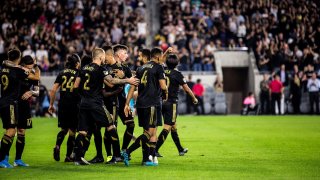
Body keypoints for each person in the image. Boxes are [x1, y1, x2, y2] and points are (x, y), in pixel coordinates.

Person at [72, 48, 138, 165]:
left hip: (83, 103)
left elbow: (75, 86)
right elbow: (111, 81)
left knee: (82, 131)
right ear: (101, 57)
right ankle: (117, 155)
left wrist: (82, 97)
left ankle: (77, 157)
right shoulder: (100, 69)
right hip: (96, 103)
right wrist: (128, 80)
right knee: (111, 126)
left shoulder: (83, 68)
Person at [122, 47, 168, 166]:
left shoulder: (140, 68)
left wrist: (127, 104)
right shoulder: (158, 67)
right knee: (149, 133)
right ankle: (127, 151)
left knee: (149, 132)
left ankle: (147, 159)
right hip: (152, 103)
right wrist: (166, 92)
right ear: (157, 57)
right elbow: (163, 86)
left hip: (141, 104)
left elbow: (132, 87)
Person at [0, 49, 40, 168]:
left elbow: (37, 91)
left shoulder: (5, 68)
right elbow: (36, 76)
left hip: (20, 105)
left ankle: (18, 159)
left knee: (21, 131)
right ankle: (3, 158)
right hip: (13, 103)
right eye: (28, 66)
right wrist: (36, 67)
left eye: (31, 66)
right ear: (22, 63)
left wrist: (31, 92)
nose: (30, 68)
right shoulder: (19, 71)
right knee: (11, 131)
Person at [155, 54, 198, 158]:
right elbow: (186, 88)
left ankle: (180, 149)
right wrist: (194, 98)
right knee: (168, 126)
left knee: (173, 126)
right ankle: (154, 150)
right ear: (177, 63)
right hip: (171, 102)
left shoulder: (162, 70)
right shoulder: (177, 74)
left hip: (161, 101)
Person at [48, 54, 81, 162]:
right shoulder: (78, 73)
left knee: (63, 129)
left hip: (62, 104)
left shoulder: (61, 73)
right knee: (72, 131)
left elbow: (53, 90)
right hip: (74, 104)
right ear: (77, 64)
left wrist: (51, 105)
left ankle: (57, 145)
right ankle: (68, 156)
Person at [113, 44, 136, 152]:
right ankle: (111, 155)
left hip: (122, 101)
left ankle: (123, 150)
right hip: (110, 100)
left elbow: (132, 78)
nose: (127, 55)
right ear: (118, 54)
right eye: (124, 53)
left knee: (131, 124)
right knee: (112, 128)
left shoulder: (125, 68)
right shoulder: (109, 67)